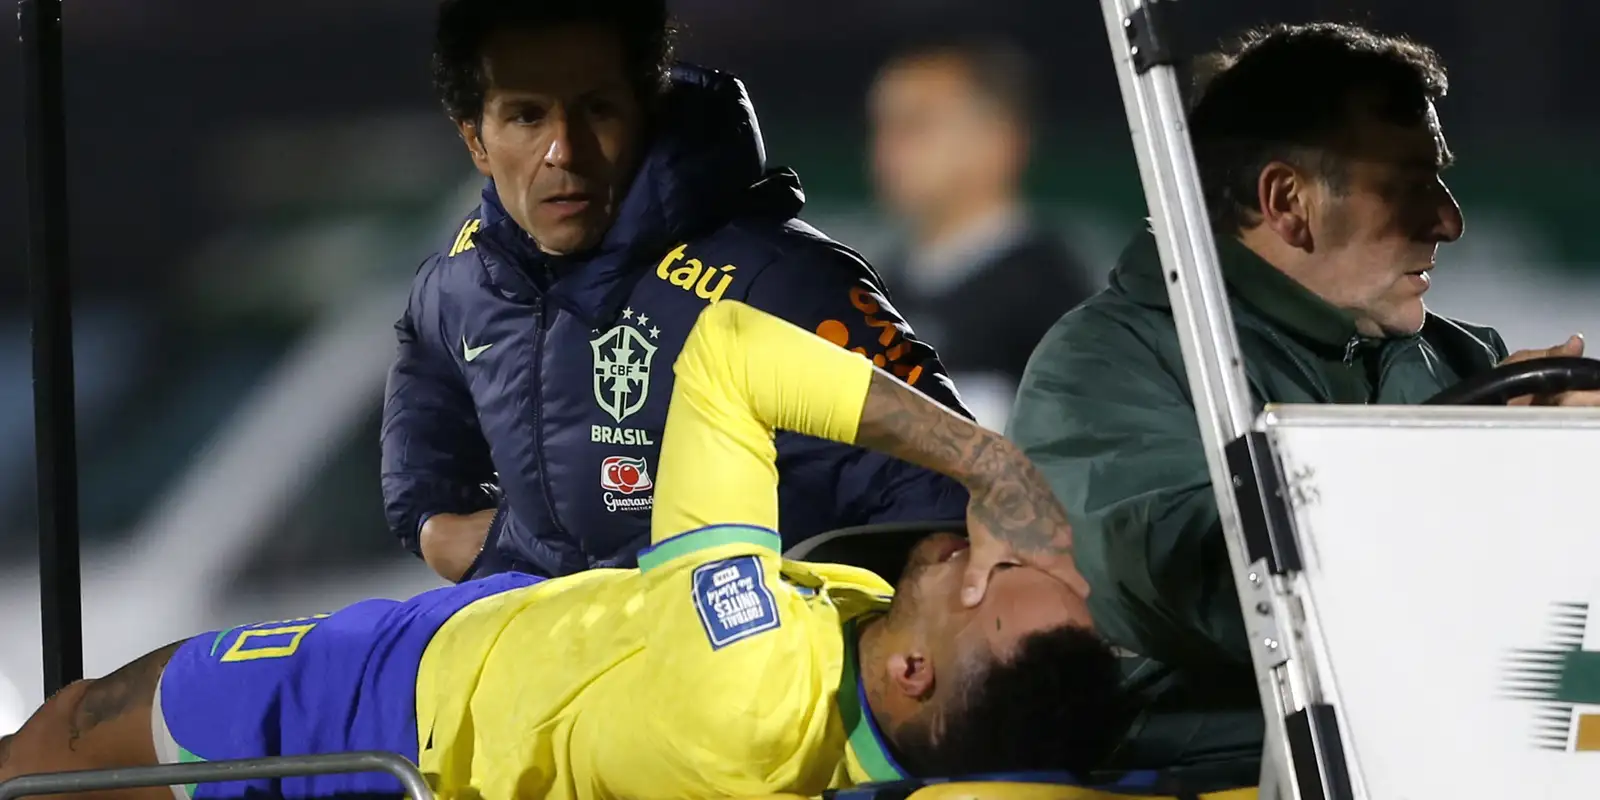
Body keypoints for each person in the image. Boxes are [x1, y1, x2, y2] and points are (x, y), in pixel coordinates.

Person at [0, 302, 1126, 800]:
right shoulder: (878, 712)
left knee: (70, 741)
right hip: (484, 676)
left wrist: (991, 464)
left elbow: (728, 355)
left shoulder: (746, 681)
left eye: (997, 587)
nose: (996, 557)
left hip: (389, 712)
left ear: (916, 673)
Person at [1007, 22, 1600, 771]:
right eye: (1410, 186)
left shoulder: (1463, 359)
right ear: (1288, 201)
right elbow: (1217, 587)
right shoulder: (1103, 367)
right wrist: (1472, 466)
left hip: (1470, 751)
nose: (1449, 220)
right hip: (1217, 774)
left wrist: (1571, 467)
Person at [385, 0, 971, 584]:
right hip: (576, 669)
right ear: (476, 142)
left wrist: (798, 629)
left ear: (644, 109)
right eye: (527, 116)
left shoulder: (780, 282)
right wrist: (444, 530)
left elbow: (947, 504)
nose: (564, 150)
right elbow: (426, 451)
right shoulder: (464, 280)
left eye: (597, 109)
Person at [867, 37, 1096, 431]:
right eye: (881, 126)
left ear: (1000, 141)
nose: (888, 148)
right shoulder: (873, 288)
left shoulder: (1051, 302)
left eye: (916, 125)